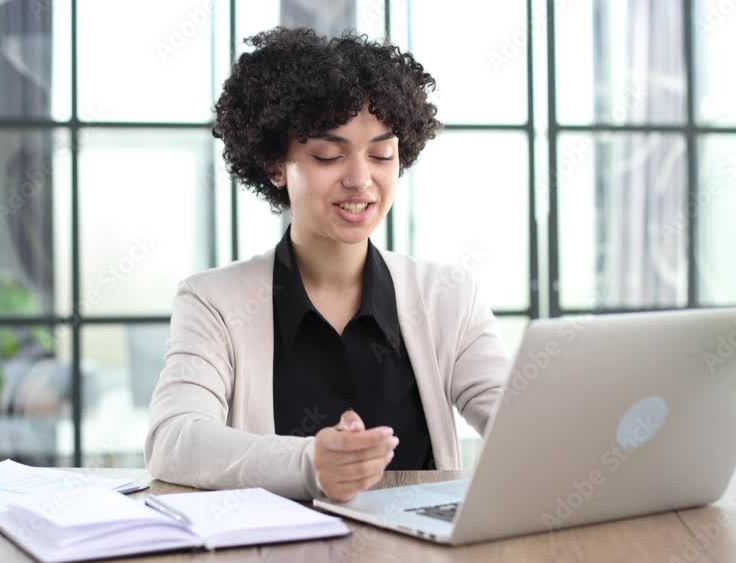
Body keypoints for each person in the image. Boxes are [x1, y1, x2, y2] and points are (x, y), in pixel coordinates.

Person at [145, 27, 510, 502]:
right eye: (329, 155)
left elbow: (521, 424)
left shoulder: (447, 296)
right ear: (276, 165)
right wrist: (309, 463)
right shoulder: (214, 301)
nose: (361, 180)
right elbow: (174, 440)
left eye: (381, 154)